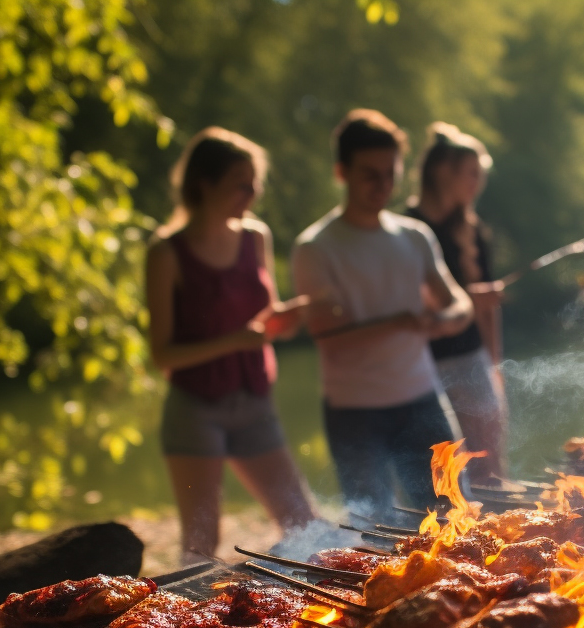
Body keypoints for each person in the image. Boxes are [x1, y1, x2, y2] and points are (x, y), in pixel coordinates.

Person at [145, 127, 318, 564]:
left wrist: (289, 317)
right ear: (203, 184)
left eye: (255, 182)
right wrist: (236, 340)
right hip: (195, 408)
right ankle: (187, 627)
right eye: (241, 183)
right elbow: (163, 356)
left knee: (304, 522)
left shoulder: (256, 237)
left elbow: (264, 319)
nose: (252, 193)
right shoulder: (166, 253)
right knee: (201, 545)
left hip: (254, 400)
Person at [292, 109, 474, 521]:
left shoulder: (414, 236)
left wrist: (445, 321)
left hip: (423, 400)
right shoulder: (316, 247)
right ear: (342, 172)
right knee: (375, 533)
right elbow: (326, 336)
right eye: (370, 174)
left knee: (454, 517)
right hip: (355, 414)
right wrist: (396, 324)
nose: (383, 184)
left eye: (390, 173)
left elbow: (458, 302)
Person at [406, 123, 509, 483]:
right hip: (425, 364)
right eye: (470, 173)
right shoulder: (407, 228)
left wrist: (494, 366)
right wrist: (470, 297)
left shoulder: (473, 230)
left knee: (490, 459)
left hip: (471, 358)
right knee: (443, 466)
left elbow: (487, 310)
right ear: (440, 171)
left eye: (480, 175)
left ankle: (498, 527)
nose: (476, 183)